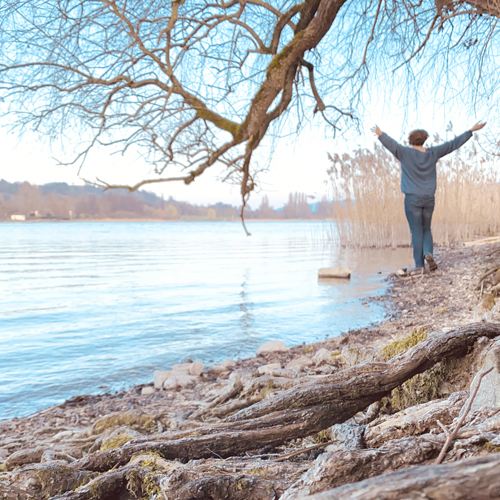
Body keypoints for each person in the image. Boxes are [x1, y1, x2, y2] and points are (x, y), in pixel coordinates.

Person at [371, 122, 486, 274]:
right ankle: (429, 253)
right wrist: (470, 130)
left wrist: (380, 134)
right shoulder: (433, 153)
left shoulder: (404, 152)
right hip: (429, 198)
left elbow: (390, 144)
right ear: (424, 141)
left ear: (411, 141)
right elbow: (452, 145)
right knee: (427, 229)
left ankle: (419, 266)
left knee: (416, 231)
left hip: (412, 199)